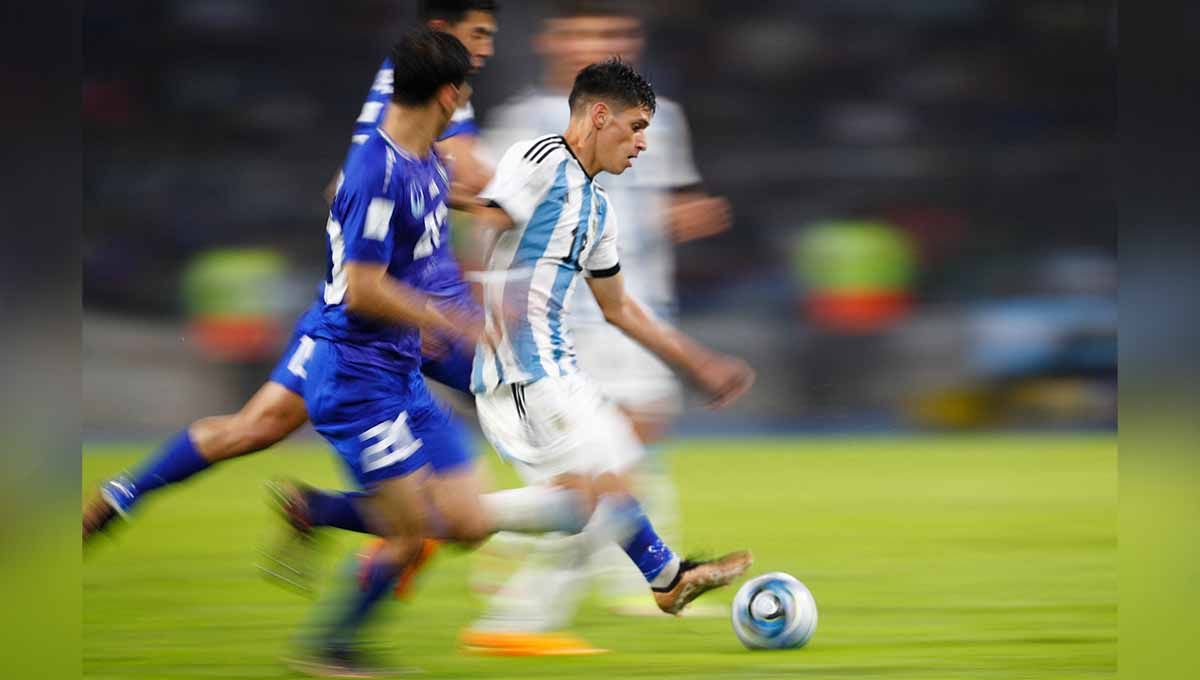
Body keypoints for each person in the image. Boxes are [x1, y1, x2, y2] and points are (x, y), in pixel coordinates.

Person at [81, 0, 500, 545]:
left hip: (368, 319)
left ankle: (127, 495)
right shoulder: (418, 100)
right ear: (444, 32)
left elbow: (394, 188)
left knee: (257, 428)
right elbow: (359, 191)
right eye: (480, 34)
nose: (487, 48)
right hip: (357, 327)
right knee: (438, 496)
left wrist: (470, 207)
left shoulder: (413, 106)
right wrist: (424, 298)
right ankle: (333, 542)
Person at [279, 29, 601, 676]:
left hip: (400, 377)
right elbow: (365, 288)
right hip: (357, 381)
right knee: (410, 535)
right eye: (466, 94)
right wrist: (453, 319)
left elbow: (428, 231)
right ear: (450, 94)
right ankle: (330, 650)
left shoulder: (420, 159)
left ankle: (317, 509)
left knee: (468, 522)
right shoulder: (376, 169)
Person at [459, 57, 755, 656]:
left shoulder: (598, 208)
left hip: (558, 371)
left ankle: (663, 581)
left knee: (614, 477)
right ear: (599, 116)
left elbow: (622, 308)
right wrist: (471, 285)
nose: (645, 143)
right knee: (587, 497)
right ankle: (441, 526)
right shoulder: (539, 159)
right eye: (637, 126)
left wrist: (697, 363)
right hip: (520, 372)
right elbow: (487, 215)